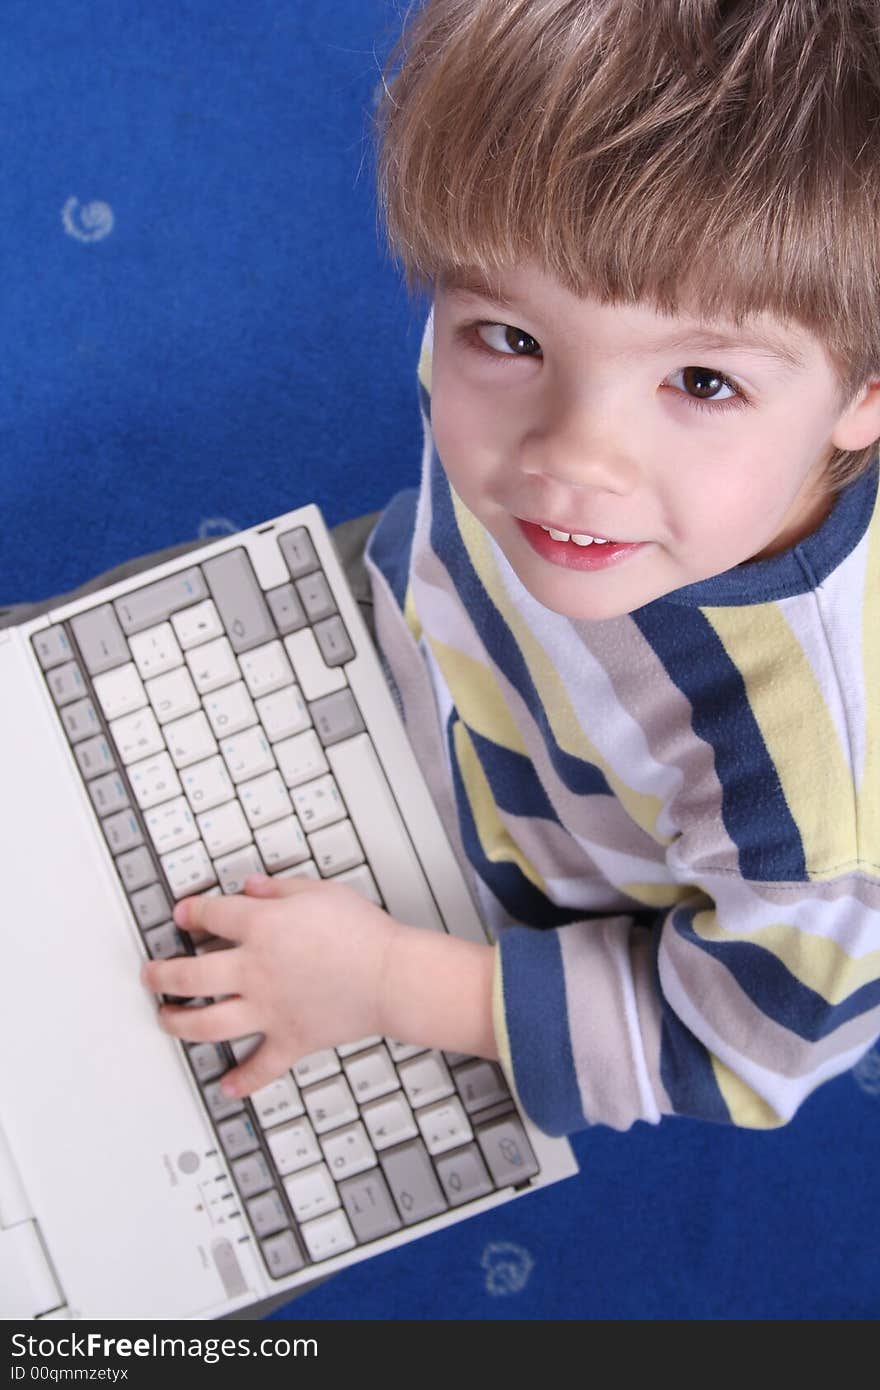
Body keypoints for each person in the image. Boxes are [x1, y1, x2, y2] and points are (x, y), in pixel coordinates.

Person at [143, 0, 880, 1135]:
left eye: (700, 383)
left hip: (468, 925)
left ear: (864, 393)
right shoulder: (518, 315)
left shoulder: (821, 809)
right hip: (363, 632)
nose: (572, 458)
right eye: (514, 338)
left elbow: (737, 1053)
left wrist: (387, 982)